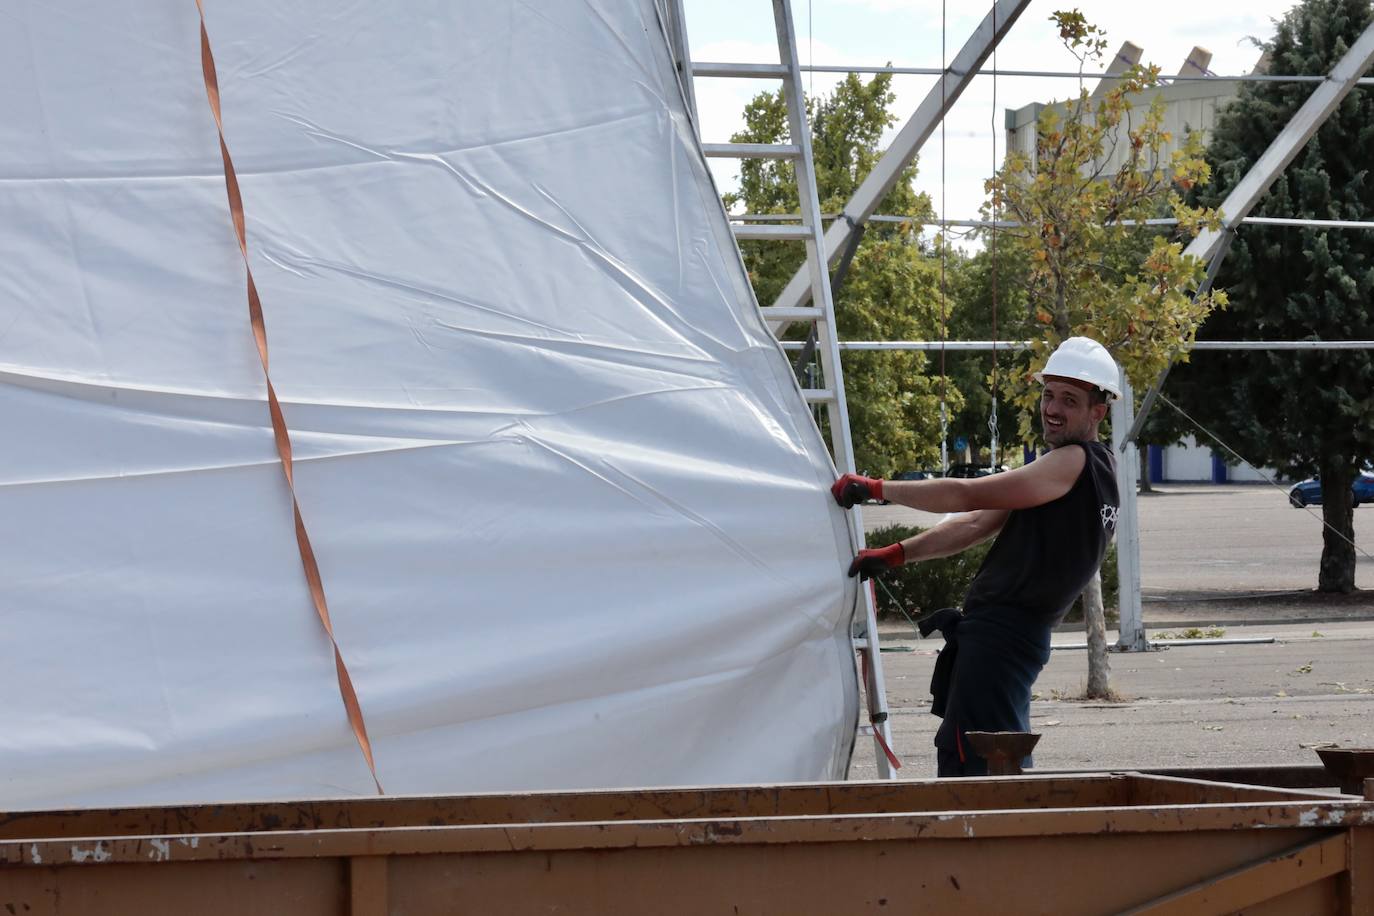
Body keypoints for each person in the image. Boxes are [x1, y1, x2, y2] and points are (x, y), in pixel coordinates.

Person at [832, 337, 1122, 776]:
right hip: (1005, 640)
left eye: (1069, 400)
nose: (1052, 408)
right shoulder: (1093, 469)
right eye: (1048, 395)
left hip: (1003, 641)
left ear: (1097, 412)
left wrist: (876, 489)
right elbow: (973, 524)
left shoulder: (1073, 463)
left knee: (979, 764)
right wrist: (896, 555)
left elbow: (967, 493)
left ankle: (981, 840)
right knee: (990, 755)